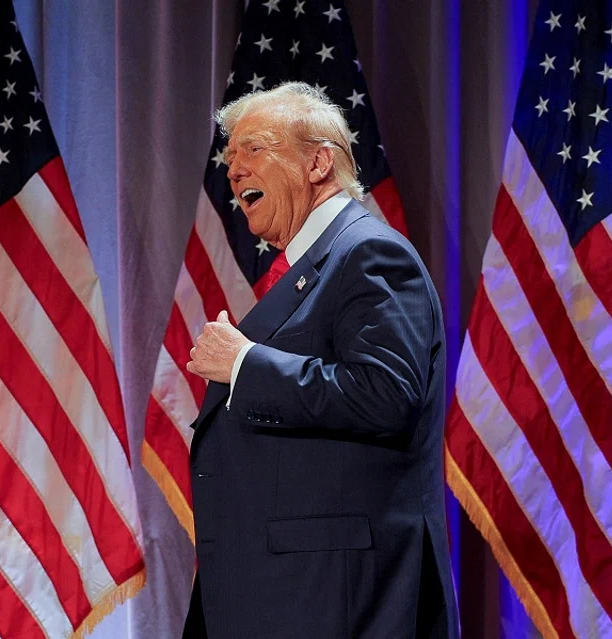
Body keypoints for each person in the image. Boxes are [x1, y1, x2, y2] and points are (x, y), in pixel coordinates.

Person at [183, 82, 459, 638]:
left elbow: (385, 395)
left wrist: (245, 365)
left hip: (336, 599)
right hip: (285, 593)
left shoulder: (367, 253)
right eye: (231, 156)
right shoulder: (320, 263)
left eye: (254, 149)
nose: (234, 171)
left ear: (317, 162)